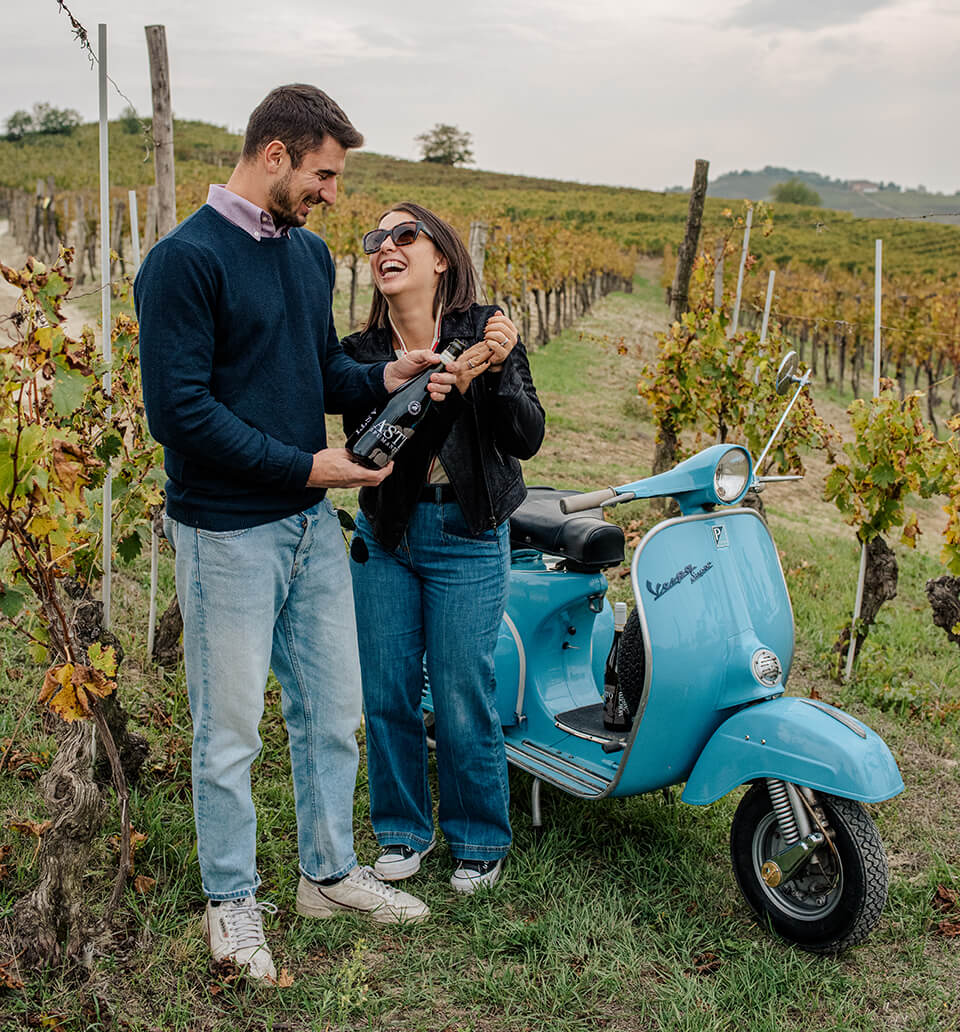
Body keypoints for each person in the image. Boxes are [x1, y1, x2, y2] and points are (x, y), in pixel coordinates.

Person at [134, 87, 452, 982]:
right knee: (229, 731)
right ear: (274, 154)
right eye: (324, 174)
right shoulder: (183, 263)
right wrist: (312, 467)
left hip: (308, 527)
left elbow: (319, 373)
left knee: (331, 714)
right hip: (226, 536)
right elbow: (179, 414)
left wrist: (392, 370)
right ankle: (232, 902)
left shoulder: (309, 258)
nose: (332, 194)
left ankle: (328, 873)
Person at [343, 202, 545, 895]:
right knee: (388, 689)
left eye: (405, 234)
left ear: (441, 258)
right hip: (388, 535)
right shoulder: (362, 354)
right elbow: (371, 447)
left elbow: (526, 437)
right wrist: (417, 388)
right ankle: (400, 831)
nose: (386, 246)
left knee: (461, 689)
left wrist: (486, 372)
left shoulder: (488, 330)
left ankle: (479, 837)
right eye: (377, 239)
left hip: (467, 533)